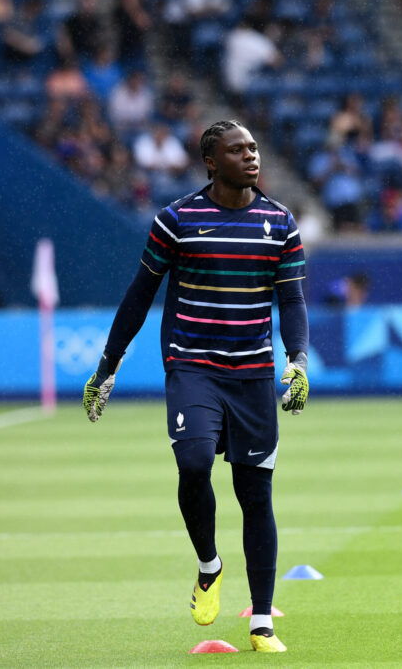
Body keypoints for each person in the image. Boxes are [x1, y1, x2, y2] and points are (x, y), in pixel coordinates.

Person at [82, 120, 308, 653]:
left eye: (253, 147)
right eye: (238, 150)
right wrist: (107, 365)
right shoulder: (177, 221)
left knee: (256, 495)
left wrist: (297, 360)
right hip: (193, 368)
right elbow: (140, 295)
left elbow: (293, 302)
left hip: (253, 374)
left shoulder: (280, 223)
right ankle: (210, 565)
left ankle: (261, 624)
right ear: (212, 161)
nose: (251, 156)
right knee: (193, 464)